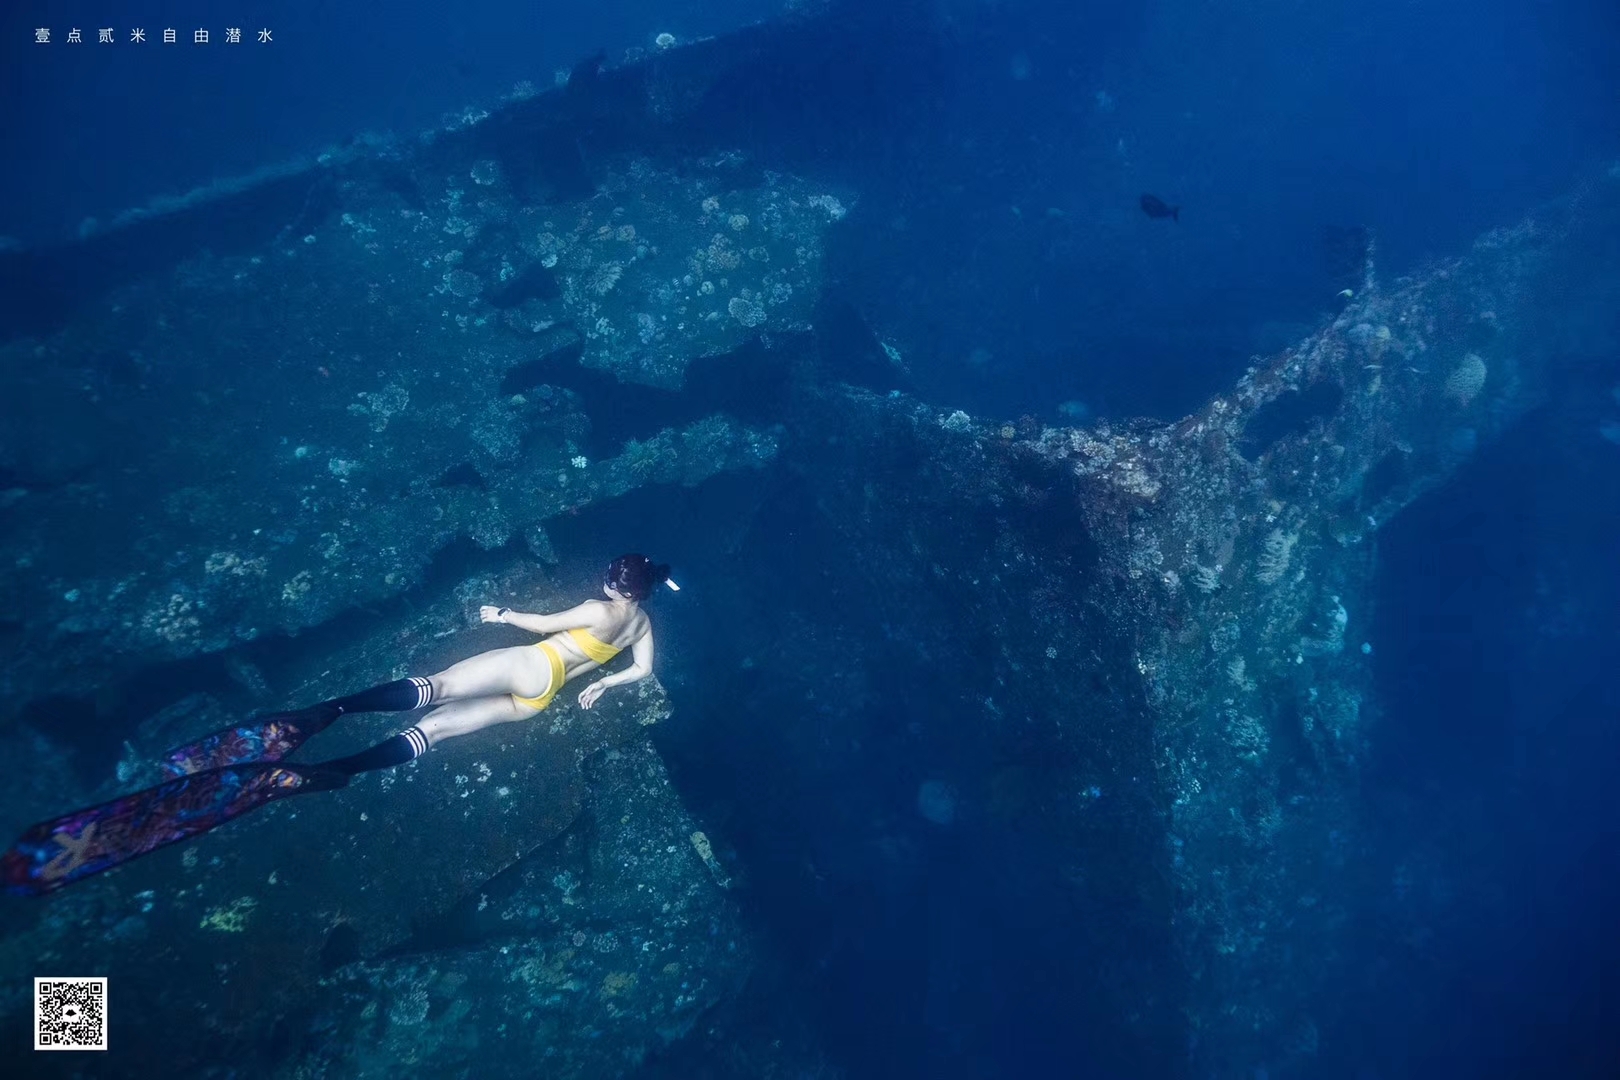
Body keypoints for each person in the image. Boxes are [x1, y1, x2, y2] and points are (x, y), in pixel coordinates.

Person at [1, 555, 677, 896]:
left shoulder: (598, 607)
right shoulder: (642, 623)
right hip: (543, 699)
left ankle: (330, 713)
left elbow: (544, 625)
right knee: (434, 734)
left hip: (536, 665)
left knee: (433, 688)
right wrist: (605, 687)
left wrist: (501, 614)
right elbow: (644, 671)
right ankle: (329, 773)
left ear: (620, 584)